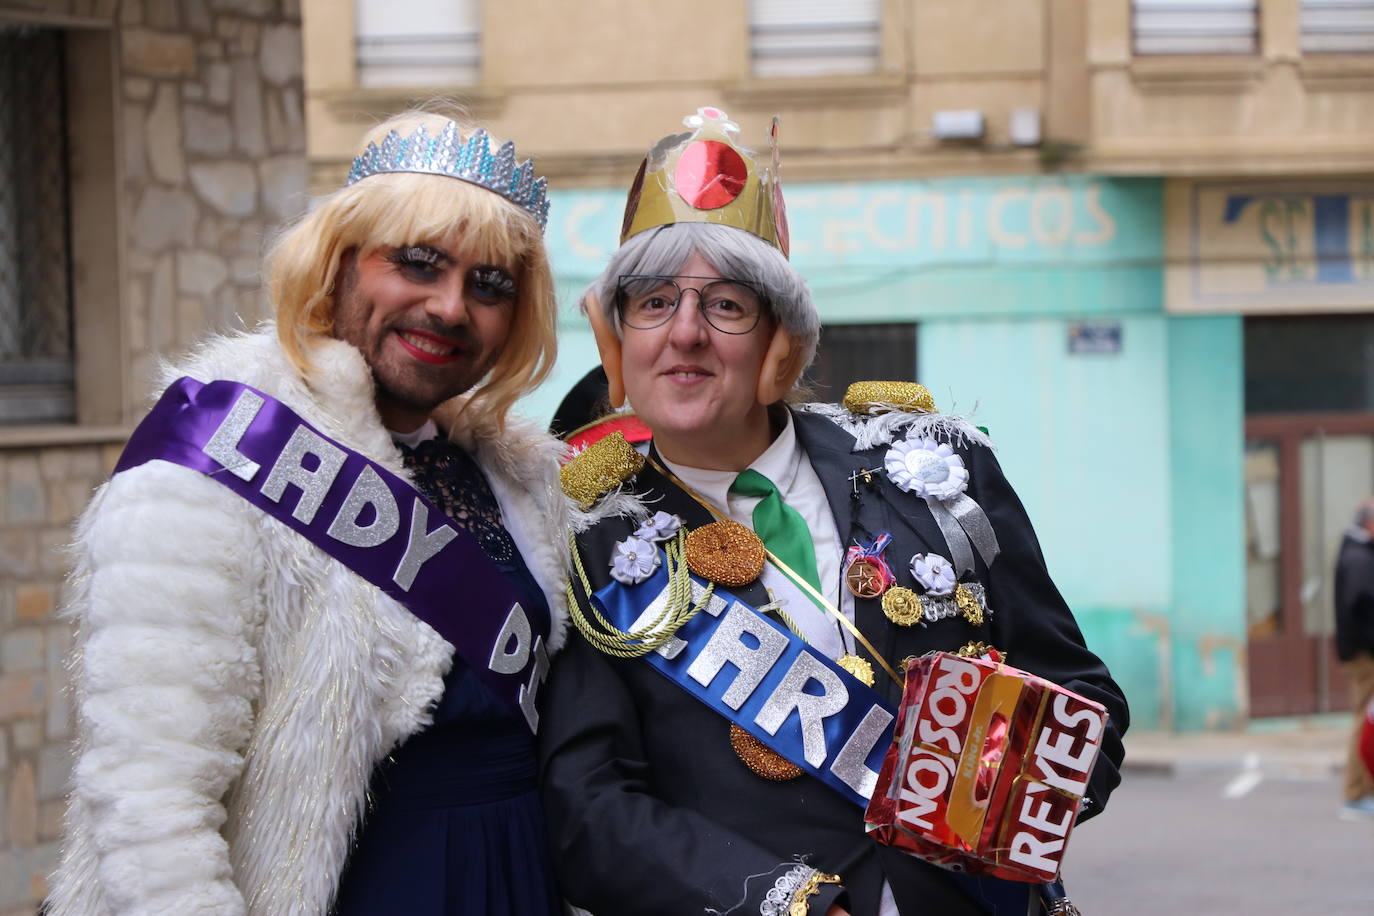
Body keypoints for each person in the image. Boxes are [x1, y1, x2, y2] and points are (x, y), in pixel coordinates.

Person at [540, 107, 1129, 916]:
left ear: (781, 342)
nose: (684, 335)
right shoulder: (584, 547)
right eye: (651, 303)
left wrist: (1004, 804)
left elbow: (1078, 696)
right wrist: (787, 905)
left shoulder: (934, 472)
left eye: (725, 306)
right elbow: (591, 809)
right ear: (616, 343)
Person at [47, 111, 568, 915]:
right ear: (338, 264)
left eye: (490, 285)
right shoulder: (219, 448)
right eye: (418, 263)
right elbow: (150, 806)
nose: (452, 306)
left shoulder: (517, 474)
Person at [1335, 498, 1374, 820]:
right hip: (1365, 656)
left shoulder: (1357, 553)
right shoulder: (1359, 559)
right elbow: (1363, 610)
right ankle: (1356, 793)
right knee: (1366, 722)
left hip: (1361, 652)